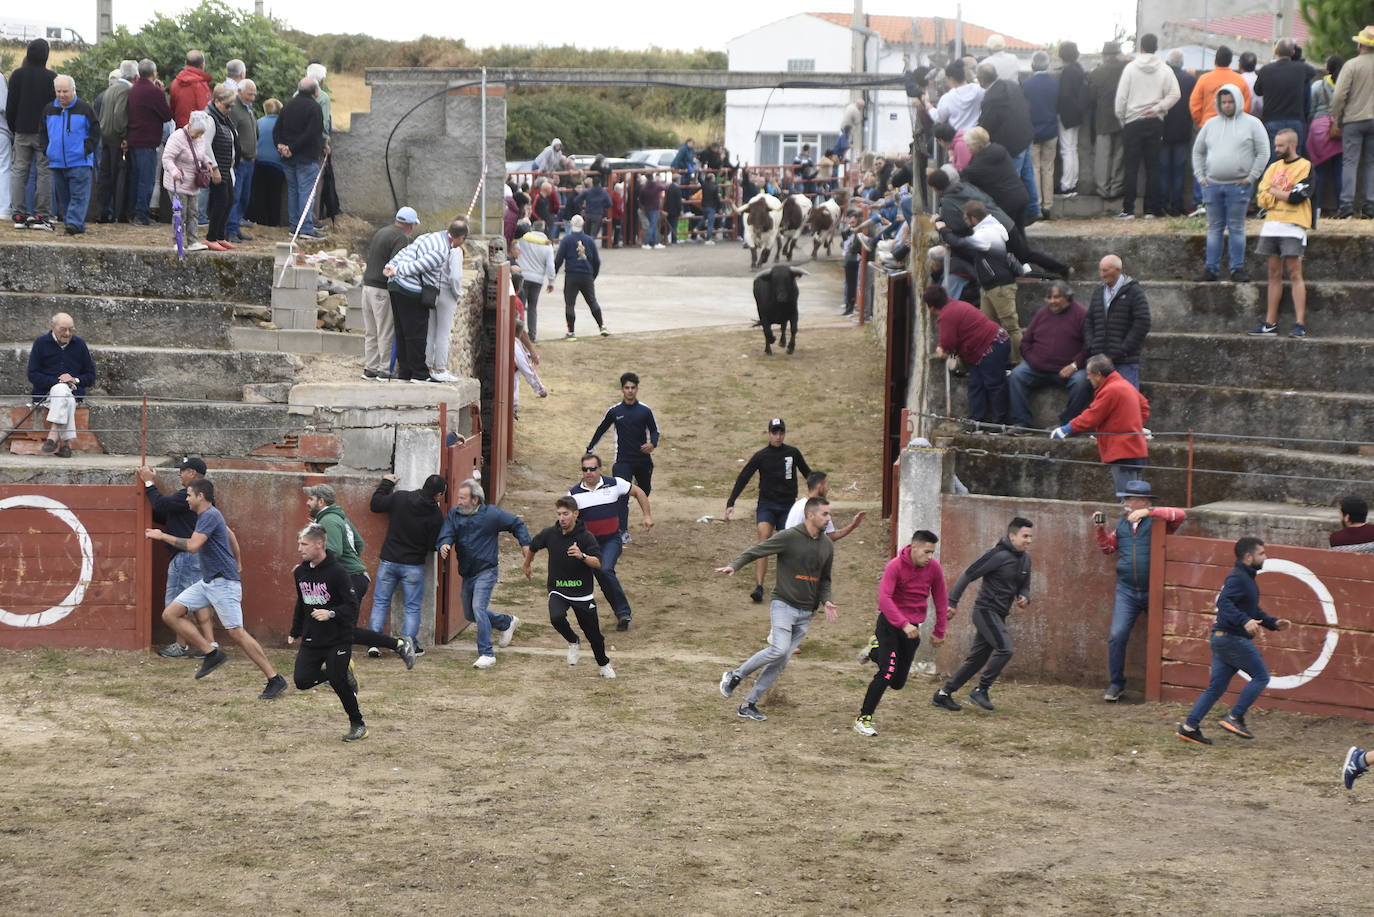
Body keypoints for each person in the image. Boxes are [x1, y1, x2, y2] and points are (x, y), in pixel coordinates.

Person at [147, 479, 289, 698]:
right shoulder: (209, 516)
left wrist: (162, 535)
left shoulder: (209, 516)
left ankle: (274, 679)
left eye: (189, 495)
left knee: (237, 633)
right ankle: (211, 653)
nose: (186, 499)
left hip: (223, 583)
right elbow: (231, 535)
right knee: (171, 614)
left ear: (200, 496)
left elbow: (193, 546)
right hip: (209, 581)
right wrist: (238, 561)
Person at [716, 497, 837, 722]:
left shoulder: (827, 545)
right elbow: (757, 551)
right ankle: (735, 675)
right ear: (810, 515)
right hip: (784, 604)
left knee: (780, 661)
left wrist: (826, 600)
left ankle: (749, 704)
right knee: (779, 649)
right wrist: (735, 565)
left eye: (829, 514)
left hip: (806, 613)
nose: (829, 519)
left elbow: (825, 579)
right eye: (825, 514)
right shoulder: (789, 537)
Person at [1176, 537, 1290, 745]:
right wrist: (1244, 620)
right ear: (1249, 557)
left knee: (1216, 688)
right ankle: (1235, 717)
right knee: (1261, 676)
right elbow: (1224, 602)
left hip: (1222, 639)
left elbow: (1252, 610)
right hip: (1232, 639)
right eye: (1261, 553)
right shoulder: (1239, 578)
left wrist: (1273, 623)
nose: (1265, 557)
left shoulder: (1245, 578)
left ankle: (1189, 727)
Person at [303, 483, 416, 668]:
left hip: (350, 580)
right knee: (338, 630)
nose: (308, 503)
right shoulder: (339, 517)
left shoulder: (329, 520)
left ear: (321, 501)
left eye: (310, 499)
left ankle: (399, 644)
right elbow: (359, 543)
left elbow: (334, 551)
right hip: (353, 577)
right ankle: (340, 670)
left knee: (343, 630)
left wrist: (311, 566)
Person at [1093, 479, 1186, 701]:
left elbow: (1180, 515)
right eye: (1126, 499)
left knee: (1163, 637)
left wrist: (1148, 512)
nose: (1125, 503)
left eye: (1130, 499)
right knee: (1117, 635)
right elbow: (1107, 548)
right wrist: (1100, 530)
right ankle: (1116, 683)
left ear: (1142, 501)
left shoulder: (1157, 521)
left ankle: (1167, 686)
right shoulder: (1122, 526)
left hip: (1153, 588)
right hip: (1127, 590)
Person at [932, 517, 1033, 713]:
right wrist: (952, 602)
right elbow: (969, 574)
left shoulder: (1026, 560)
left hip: (999, 614)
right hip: (985, 611)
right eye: (1025, 536)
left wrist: (1024, 597)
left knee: (977, 659)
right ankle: (981, 689)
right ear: (1012, 536)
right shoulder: (997, 555)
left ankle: (943, 695)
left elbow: (1025, 586)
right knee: (1005, 649)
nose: (1028, 540)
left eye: (1030, 537)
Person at [853, 530, 947, 736]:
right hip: (889, 625)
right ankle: (863, 718)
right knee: (887, 672)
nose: (930, 557)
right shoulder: (895, 566)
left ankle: (873, 651)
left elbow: (940, 599)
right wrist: (903, 624)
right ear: (914, 547)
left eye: (932, 552)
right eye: (926, 552)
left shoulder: (933, 569)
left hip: (912, 630)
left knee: (897, 682)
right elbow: (884, 599)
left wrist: (939, 630)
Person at [436, 478, 531, 668]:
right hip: (467, 572)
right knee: (470, 614)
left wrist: (525, 544)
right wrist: (444, 543)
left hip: (486, 570)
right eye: (458, 497)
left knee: (478, 609)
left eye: (463, 498)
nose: (459, 501)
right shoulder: (455, 514)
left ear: (475, 500)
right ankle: (506, 622)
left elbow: (516, 524)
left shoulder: (492, 515)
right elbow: (447, 532)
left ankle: (487, 654)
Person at [287, 523, 369, 742]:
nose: (299, 549)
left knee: (337, 680)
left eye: (304, 544)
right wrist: (295, 630)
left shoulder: (338, 572)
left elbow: (351, 606)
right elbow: (300, 602)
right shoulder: (301, 572)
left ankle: (358, 724)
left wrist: (331, 613)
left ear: (319, 544)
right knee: (302, 681)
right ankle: (340, 674)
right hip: (313, 636)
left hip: (338, 637)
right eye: (299, 544)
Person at [521, 496, 616, 678]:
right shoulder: (550, 533)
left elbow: (597, 563)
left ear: (575, 514)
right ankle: (573, 641)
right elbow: (533, 546)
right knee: (556, 617)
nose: (562, 518)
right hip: (558, 589)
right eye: (559, 514)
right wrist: (527, 564)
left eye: (566, 514)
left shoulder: (586, 537)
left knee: (595, 636)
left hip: (582, 594)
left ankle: (603, 664)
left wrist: (581, 556)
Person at [724, 419, 812, 604]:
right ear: (769, 433)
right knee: (763, 537)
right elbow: (744, 476)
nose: (778, 436)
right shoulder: (761, 456)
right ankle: (759, 586)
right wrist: (731, 501)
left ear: (785, 433)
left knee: (788, 544)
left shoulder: (792, 453)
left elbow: (808, 474)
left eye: (781, 433)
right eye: (775, 432)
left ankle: (791, 586)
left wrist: (817, 496)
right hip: (767, 505)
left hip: (788, 506)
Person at [140, 457, 217, 658]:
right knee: (199, 602)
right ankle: (210, 644)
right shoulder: (202, 499)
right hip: (198, 556)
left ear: (192, 473)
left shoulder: (189, 496)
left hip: (186, 555)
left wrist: (149, 483)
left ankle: (184, 645)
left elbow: (161, 504)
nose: (179, 473)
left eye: (182, 470)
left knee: (178, 603)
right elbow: (165, 513)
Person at [568, 454, 653, 632]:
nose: (589, 472)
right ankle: (619, 614)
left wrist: (647, 515)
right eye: (585, 469)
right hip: (589, 545)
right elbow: (565, 518)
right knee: (601, 576)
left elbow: (638, 492)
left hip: (611, 540)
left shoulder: (614, 484)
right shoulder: (573, 494)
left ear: (600, 469)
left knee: (605, 569)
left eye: (592, 469)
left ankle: (623, 612)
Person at [1192, 85, 1268, 282]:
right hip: (1212, 185)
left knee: (1237, 227)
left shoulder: (1253, 123)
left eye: (1230, 101)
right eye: (1223, 102)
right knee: (1214, 228)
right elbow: (1198, 151)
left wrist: (1252, 177)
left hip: (1239, 186)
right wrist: (1201, 176)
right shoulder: (1210, 124)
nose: (1227, 105)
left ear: (1238, 101)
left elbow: (1263, 152)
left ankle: (1237, 269)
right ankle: (1211, 269)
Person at [367, 473, 446, 654]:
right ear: (439, 495)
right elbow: (431, 546)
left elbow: (376, 504)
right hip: (413, 565)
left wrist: (386, 483)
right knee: (412, 606)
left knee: (381, 601)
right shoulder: (435, 515)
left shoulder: (401, 498)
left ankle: (373, 643)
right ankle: (409, 645)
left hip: (389, 560)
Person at [936, 198, 1023, 363]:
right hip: (989, 286)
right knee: (986, 326)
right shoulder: (988, 228)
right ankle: (991, 360)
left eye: (965, 218)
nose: (964, 221)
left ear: (973, 218)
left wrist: (943, 230)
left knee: (1010, 326)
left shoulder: (986, 234)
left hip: (1000, 287)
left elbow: (960, 243)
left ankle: (1018, 362)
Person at [383, 218, 469, 383]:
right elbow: (419, 266)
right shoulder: (442, 250)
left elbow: (407, 251)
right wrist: (396, 270)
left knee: (402, 331)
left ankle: (405, 373)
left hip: (395, 286)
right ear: (461, 238)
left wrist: (391, 265)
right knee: (416, 333)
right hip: (409, 288)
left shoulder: (429, 236)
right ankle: (419, 374)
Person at [1051, 353, 1150, 495]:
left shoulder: (1111, 390)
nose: (1087, 377)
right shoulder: (1123, 384)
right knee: (1136, 495)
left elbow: (1092, 416)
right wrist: (1133, 425)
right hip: (1135, 448)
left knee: (1127, 497)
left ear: (1098, 374)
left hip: (1122, 450)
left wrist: (1067, 428)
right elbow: (1144, 406)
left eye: (1089, 374)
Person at [1249, 129, 1313, 337]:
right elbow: (1261, 197)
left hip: (1294, 225)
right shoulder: (1273, 167)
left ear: (1292, 145)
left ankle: (1300, 324)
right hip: (1272, 225)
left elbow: (1299, 196)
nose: (1276, 149)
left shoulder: (1305, 166)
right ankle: (1270, 323)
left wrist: (1275, 193)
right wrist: (1280, 194)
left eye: (1280, 146)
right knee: (1273, 273)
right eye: (1275, 145)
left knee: (1295, 272)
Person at [1008, 280, 1092, 431]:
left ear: (1067, 297)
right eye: (1049, 297)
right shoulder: (1042, 314)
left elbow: (1089, 346)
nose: (1052, 301)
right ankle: (1022, 423)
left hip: (1067, 370)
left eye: (1056, 297)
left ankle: (1067, 425)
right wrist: (1033, 361)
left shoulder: (1081, 314)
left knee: (1081, 382)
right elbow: (1025, 343)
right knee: (1016, 376)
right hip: (1037, 369)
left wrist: (1074, 365)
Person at [585, 371, 660, 539]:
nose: (630, 391)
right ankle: (622, 531)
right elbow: (601, 429)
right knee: (621, 495)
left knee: (644, 490)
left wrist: (652, 444)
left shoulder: (645, 411)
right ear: (622, 389)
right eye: (627, 388)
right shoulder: (615, 411)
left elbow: (655, 430)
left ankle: (639, 507)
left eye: (633, 387)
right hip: (622, 461)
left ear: (637, 389)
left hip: (643, 460)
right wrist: (590, 449)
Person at [1114, 34, 1180, 219]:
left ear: (1141, 48)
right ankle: (1151, 209)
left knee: (1131, 167)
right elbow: (1175, 94)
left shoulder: (1130, 68)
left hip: (1132, 122)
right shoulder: (1165, 69)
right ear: (1156, 48)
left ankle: (1128, 209)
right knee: (1153, 167)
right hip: (1154, 122)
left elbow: (1121, 99)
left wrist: (1123, 119)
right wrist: (1159, 108)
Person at [925, 284, 1011, 427]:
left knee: (993, 384)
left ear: (931, 307)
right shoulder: (955, 304)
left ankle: (999, 424)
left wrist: (941, 348)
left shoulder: (946, 315)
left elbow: (948, 342)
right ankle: (977, 421)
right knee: (976, 385)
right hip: (989, 345)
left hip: (991, 346)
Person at [359, 207, 418, 380]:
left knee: (371, 331)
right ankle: (385, 370)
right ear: (410, 224)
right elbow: (395, 265)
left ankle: (370, 368)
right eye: (414, 225)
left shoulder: (382, 232)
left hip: (367, 286)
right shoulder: (401, 238)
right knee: (385, 330)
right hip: (381, 289)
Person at [26, 312, 95, 458]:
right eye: (63, 329)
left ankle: (53, 435)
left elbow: (90, 376)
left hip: (73, 393)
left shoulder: (80, 344)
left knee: (65, 394)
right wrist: (59, 381)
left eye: (71, 329)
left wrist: (74, 380)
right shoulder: (41, 343)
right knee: (63, 392)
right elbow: (32, 374)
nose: (68, 333)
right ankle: (66, 444)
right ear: (52, 327)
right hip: (45, 395)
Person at [976, 63, 1039, 221]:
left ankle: (1013, 214)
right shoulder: (1011, 85)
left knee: (1012, 179)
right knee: (1027, 175)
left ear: (982, 80)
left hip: (1011, 144)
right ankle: (1033, 209)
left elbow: (986, 126)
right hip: (1026, 136)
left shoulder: (991, 98)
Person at [38, 75, 98, 236]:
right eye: (58, 91)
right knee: (64, 197)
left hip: (80, 161)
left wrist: (86, 149)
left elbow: (95, 132)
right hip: (57, 162)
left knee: (79, 195)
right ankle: (73, 223)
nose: (62, 95)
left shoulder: (85, 109)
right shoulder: (49, 110)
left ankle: (73, 223)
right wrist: (46, 150)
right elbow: (42, 133)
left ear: (73, 90)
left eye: (65, 91)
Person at [7, 38, 57, 230]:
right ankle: (41, 214)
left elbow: (11, 106)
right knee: (45, 172)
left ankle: (18, 213)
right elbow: (54, 109)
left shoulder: (17, 75)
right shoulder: (52, 77)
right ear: (46, 56)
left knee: (19, 170)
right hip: (43, 133)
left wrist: (15, 127)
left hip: (21, 129)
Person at [1084, 254, 1150, 388]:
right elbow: (1088, 321)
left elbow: (1143, 322)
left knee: (1127, 403)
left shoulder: (1134, 292)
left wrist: (1122, 349)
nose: (1102, 274)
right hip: (1100, 363)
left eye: (1106, 270)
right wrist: (1092, 346)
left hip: (1125, 361)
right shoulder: (1098, 292)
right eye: (1101, 270)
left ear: (1118, 270)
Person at [274, 78, 326, 239]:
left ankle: (294, 225)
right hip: (306, 157)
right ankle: (305, 228)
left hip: (288, 158)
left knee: (293, 191)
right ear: (315, 92)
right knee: (306, 192)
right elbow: (311, 133)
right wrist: (293, 148)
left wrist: (281, 146)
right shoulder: (314, 107)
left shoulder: (288, 105)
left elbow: (277, 129)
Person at [1330, 26, 1374, 218]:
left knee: (1350, 162)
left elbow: (1339, 95)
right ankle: (1370, 204)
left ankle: (1346, 205)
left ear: (1360, 45)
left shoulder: (1352, 65)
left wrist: (1336, 118)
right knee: (1371, 163)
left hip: (1354, 119)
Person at [126, 60, 172, 227]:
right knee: (146, 180)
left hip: (133, 139)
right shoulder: (155, 92)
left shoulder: (133, 90)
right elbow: (167, 115)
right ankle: (142, 215)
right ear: (154, 74)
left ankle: (132, 213)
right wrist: (162, 92)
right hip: (148, 141)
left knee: (135, 178)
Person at [1255, 39, 1315, 158]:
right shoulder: (1301, 68)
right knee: (1295, 160)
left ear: (1275, 51)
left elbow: (1258, 90)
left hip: (1271, 120)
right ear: (1293, 52)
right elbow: (1312, 72)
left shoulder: (1266, 70)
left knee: (1273, 158)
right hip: (1295, 120)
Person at [93, 60, 135, 224]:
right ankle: (119, 214)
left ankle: (101, 212)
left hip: (105, 136)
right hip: (117, 138)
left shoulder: (110, 89)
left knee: (105, 177)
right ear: (134, 75)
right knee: (119, 177)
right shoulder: (125, 89)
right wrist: (124, 134)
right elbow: (119, 114)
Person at [162, 110, 211, 251]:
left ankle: (193, 241)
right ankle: (177, 241)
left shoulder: (200, 138)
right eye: (197, 132)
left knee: (193, 212)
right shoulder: (177, 138)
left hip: (193, 183)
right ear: (189, 125)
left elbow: (201, 155)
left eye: (201, 133)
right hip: (178, 182)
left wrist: (206, 162)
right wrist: (174, 171)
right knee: (180, 213)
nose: (199, 136)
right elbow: (167, 158)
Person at [554, 214, 607, 340]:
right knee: (592, 301)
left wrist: (553, 275)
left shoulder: (566, 240)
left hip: (572, 275)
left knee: (570, 304)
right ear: (583, 225)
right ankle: (602, 326)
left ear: (571, 224)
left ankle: (571, 332)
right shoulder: (589, 240)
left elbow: (559, 259)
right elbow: (597, 261)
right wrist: (593, 275)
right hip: (586, 275)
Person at [427, 215, 466, 383]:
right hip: (446, 291)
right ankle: (441, 367)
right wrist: (457, 293)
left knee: (430, 331)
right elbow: (455, 276)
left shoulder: (438, 242)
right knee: (443, 332)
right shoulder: (455, 249)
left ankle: (427, 365)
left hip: (432, 288)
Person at [1159, 51, 1198, 216]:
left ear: (1168, 62)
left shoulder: (1161, 77)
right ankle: (1176, 205)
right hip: (1182, 131)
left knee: (1163, 170)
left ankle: (1161, 204)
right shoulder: (1190, 80)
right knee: (1179, 170)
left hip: (1163, 130)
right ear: (1182, 63)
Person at [1087, 41, 1128, 199]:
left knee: (1102, 157)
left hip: (1102, 120)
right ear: (1118, 55)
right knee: (1119, 155)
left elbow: (1090, 97)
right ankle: (1116, 187)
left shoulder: (1096, 73)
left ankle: (1103, 189)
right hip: (1122, 119)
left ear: (1104, 57)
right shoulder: (1126, 70)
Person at [1021, 52, 1059, 220]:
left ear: (1033, 65)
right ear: (1048, 64)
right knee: (1048, 168)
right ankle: (1048, 205)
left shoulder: (1026, 85)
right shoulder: (1055, 84)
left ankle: (1037, 203)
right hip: (1051, 129)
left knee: (1034, 168)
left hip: (1032, 131)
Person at [203, 84, 240, 252]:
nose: (230, 109)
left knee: (229, 201)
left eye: (232, 106)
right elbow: (206, 145)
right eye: (227, 105)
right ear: (217, 102)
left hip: (227, 168)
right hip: (218, 169)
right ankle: (211, 237)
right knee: (221, 202)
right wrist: (214, 168)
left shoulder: (223, 119)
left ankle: (219, 235)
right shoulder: (211, 118)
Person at [1309, 55, 1345, 215]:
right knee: (1339, 171)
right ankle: (1341, 208)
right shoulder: (1345, 85)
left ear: (1327, 68)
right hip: (1339, 129)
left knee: (1320, 171)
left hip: (1319, 131)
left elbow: (1310, 109)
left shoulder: (1318, 85)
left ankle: (1316, 208)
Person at [784, 471, 865, 541]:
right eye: (826, 485)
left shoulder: (822, 508)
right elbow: (790, 537)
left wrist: (853, 526)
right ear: (820, 486)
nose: (827, 489)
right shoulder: (800, 508)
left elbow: (831, 536)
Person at [225, 79, 258, 243]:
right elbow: (231, 134)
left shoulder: (249, 109)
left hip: (250, 160)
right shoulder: (235, 109)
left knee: (244, 196)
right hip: (239, 160)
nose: (253, 96)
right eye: (250, 93)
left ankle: (236, 226)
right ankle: (230, 229)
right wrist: (239, 152)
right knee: (235, 196)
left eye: (254, 93)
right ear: (240, 92)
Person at [1056, 42, 1089, 196]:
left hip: (1067, 116)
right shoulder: (1079, 69)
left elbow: (1064, 96)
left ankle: (1066, 185)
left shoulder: (1068, 72)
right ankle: (1072, 183)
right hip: (1078, 115)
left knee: (1066, 150)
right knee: (1073, 149)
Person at [515, 220, 555, 341]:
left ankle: (519, 332)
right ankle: (532, 334)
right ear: (544, 230)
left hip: (523, 275)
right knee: (533, 307)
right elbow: (550, 265)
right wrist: (551, 281)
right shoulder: (547, 245)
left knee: (520, 305)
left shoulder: (524, 240)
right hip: (537, 279)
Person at [248, 97, 284, 226]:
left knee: (259, 194)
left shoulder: (258, 122)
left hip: (258, 162)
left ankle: (260, 221)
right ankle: (274, 222)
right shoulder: (282, 124)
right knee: (275, 195)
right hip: (277, 163)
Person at [931, 59, 984, 133]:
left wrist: (929, 107)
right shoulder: (979, 90)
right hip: (976, 135)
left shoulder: (948, 98)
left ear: (951, 79)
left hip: (957, 137)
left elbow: (939, 118)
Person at [169, 50, 212, 129]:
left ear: (185, 63)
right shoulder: (201, 85)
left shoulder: (175, 83)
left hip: (180, 132)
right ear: (203, 65)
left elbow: (172, 110)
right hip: (197, 133)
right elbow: (206, 113)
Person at [572, 178, 612, 243]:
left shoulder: (588, 192)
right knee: (594, 234)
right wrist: (602, 206)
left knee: (587, 233)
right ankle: (590, 246)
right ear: (600, 183)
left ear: (592, 183)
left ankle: (586, 246)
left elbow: (576, 200)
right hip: (598, 215)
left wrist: (582, 207)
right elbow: (609, 204)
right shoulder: (603, 192)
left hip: (588, 214)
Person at [638, 175, 665, 249]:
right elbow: (664, 187)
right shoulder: (656, 186)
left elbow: (641, 199)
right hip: (655, 208)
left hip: (646, 208)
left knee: (653, 225)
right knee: (653, 225)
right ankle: (646, 243)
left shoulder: (644, 187)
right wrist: (659, 181)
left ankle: (656, 242)